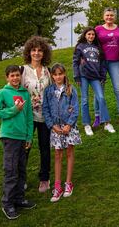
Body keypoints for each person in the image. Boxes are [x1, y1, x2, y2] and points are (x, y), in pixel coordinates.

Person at [0, 65, 36, 220]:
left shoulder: (25, 93)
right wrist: (13, 110)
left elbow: (29, 117)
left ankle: (19, 199)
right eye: (12, 75)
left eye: (17, 75)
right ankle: (7, 203)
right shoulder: (2, 93)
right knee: (11, 171)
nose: (15, 78)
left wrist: (29, 137)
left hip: (23, 137)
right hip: (9, 136)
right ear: (7, 78)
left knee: (21, 169)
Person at [42, 63, 82, 202]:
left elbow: (76, 109)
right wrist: (52, 125)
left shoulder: (71, 90)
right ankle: (57, 186)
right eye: (55, 74)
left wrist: (69, 125)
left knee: (69, 153)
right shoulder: (48, 91)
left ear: (64, 74)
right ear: (52, 76)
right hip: (56, 128)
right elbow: (45, 110)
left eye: (60, 74)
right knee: (58, 154)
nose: (58, 77)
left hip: (69, 127)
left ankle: (68, 183)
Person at [21, 36, 52, 193]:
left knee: (44, 147)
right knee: (25, 147)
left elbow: (52, 92)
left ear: (44, 52)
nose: (37, 53)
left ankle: (44, 178)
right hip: (27, 116)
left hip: (45, 116)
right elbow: (16, 92)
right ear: (29, 52)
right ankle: (21, 179)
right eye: (34, 50)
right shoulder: (22, 70)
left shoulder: (48, 71)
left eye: (40, 50)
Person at [73, 26, 115, 135]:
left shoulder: (98, 47)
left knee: (101, 97)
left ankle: (106, 123)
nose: (91, 36)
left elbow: (103, 64)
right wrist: (77, 76)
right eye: (89, 34)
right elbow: (75, 62)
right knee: (85, 100)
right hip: (83, 76)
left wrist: (102, 76)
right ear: (85, 35)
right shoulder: (80, 47)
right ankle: (87, 124)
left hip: (95, 76)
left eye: (93, 34)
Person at [95, 7, 119, 127]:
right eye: (107, 15)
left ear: (115, 17)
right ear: (103, 16)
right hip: (101, 62)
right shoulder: (98, 29)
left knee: (118, 89)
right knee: (99, 90)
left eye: (112, 15)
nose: (109, 17)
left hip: (115, 62)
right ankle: (98, 116)